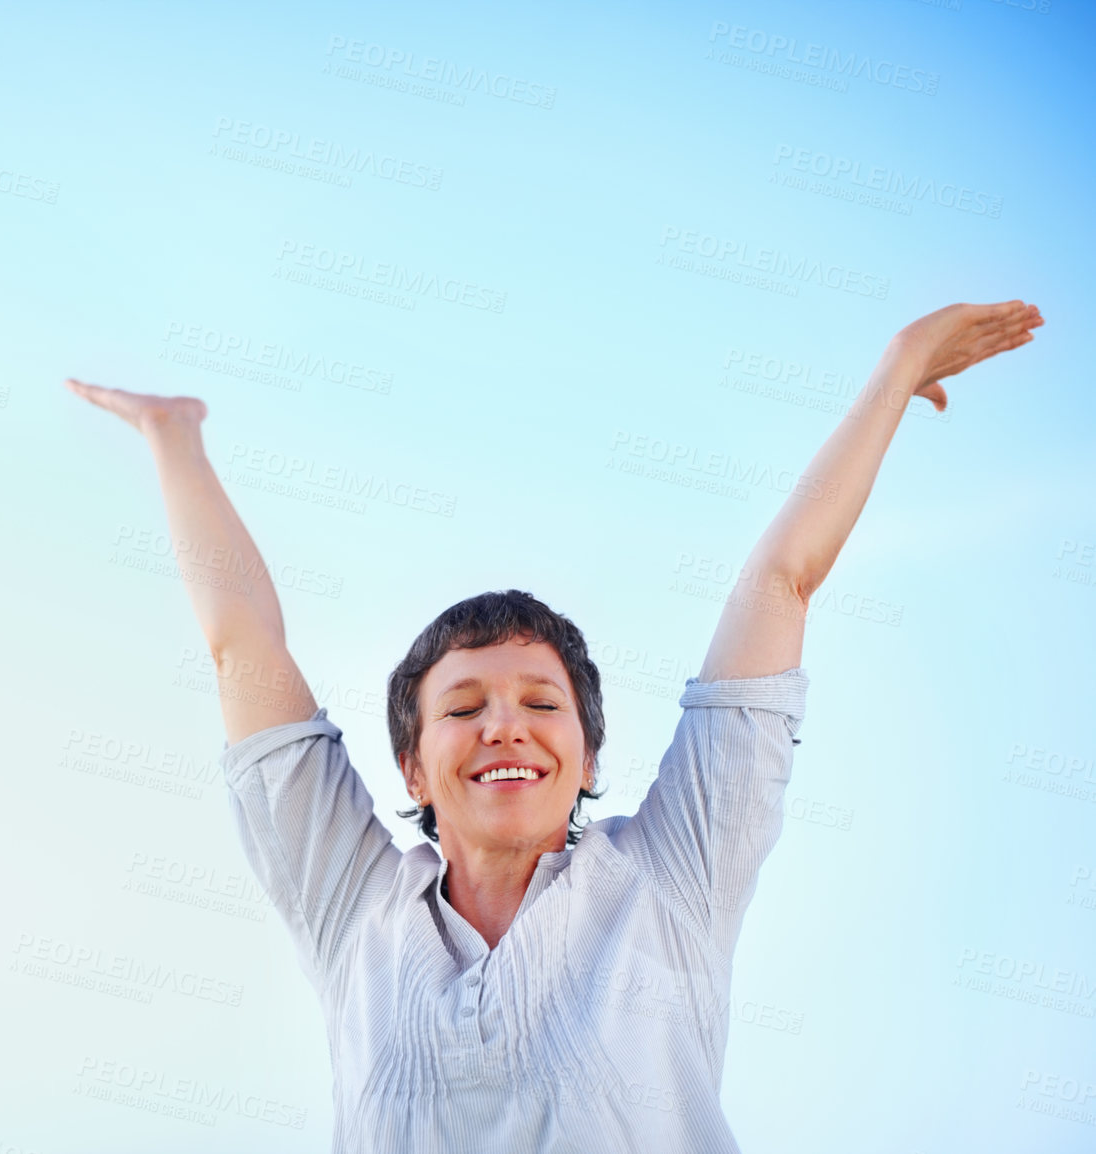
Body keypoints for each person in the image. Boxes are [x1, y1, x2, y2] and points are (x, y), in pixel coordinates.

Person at [65, 300, 1042, 1152]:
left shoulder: (669, 878)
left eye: (541, 703)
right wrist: (172, 436)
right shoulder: (353, 904)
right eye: (462, 707)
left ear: (584, 757)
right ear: (411, 766)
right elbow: (242, 648)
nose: (505, 728)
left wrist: (896, 368)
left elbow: (780, 578)